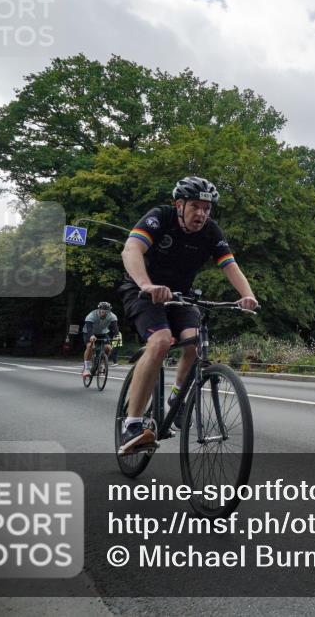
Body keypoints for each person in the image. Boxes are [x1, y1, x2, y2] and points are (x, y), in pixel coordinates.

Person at [116, 176, 259, 455]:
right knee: (160, 342)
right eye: (195, 206)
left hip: (181, 295)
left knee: (194, 343)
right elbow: (130, 249)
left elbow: (230, 265)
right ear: (179, 205)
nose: (202, 214)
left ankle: (176, 399)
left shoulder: (211, 232)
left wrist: (248, 295)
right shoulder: (161, 218)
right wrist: (146, 285)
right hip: (143, 290)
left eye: (207, 208)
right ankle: (131, 426)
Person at [82, 302, 119, 378]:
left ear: (109, 311)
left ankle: (101, 363)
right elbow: (89, 328)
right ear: (99, 310)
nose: (104, 313)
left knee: (108, 348)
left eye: (106, 311)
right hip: (89, 332)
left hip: (102, 332)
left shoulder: (112, 316)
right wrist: (91, 335)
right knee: (89, 346)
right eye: (102, 311)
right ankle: (87, 368)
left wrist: (116, 336)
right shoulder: (91, 315)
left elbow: (115, 327)